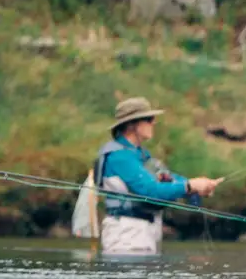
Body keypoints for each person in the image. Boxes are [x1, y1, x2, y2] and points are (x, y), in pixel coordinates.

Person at [92, 97, 220, 257]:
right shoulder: (120, 157)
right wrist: (189, 185)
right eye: (149, 119)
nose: (154, 123)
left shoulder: (139, 155)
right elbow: (150, 191)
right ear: (132, 124)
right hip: (126, 233)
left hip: (143, 231)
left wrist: (199, 187)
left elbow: (168, 178)